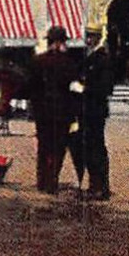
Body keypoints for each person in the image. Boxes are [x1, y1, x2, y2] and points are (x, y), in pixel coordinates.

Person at [32, 26, 82, 194]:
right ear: (61, 42)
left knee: (43, 146)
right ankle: (52, 180)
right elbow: (75, 88)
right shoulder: (68, 63)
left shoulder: (38, 61)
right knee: (58, 148)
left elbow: (32, 87)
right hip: (62, 111)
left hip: (42, 111)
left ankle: (41, 180)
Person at [80, 26, 115, 200]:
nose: (88, 40)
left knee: (96, 147)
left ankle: (101, 186)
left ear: (98, 38)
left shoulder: (102, 58)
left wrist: (86, 87)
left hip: (96, 108)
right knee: (88, 147)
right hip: (88, 108)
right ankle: (94, 184)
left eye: (92, 37)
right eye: (87, 36)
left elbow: (107, 86)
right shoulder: (89, 56)